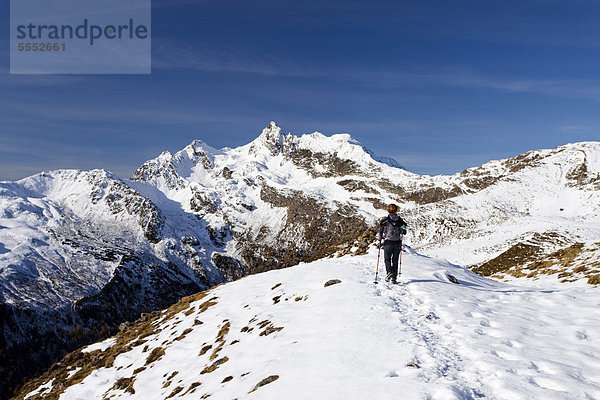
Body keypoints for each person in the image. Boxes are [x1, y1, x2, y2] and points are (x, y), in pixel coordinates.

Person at [377, 204, 407, 284]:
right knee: (395, 260)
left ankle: (389, 272)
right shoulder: (400, 220)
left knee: (387, 259)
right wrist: (402, 231)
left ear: (388, 210)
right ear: (396, 210)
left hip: (388, 242)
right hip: (397, 242)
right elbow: (404, 228)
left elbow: (380, 231)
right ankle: (394, 278)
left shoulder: (385, 220)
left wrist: (380, 240)